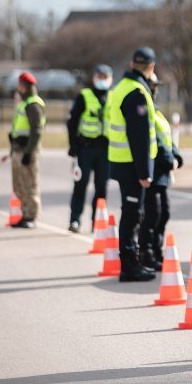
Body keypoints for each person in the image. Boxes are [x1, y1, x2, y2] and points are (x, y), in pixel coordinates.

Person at [104, 47, 159, 282]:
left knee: (131, 213)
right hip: (131, 164)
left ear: (131, 63)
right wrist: (144, 172)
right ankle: (129, 265)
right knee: (132, 214)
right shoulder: (136, 92)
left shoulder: (121, 88)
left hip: (121, 161)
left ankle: (131, 262)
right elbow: (139, 137)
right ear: (151, 67)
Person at [139, 73, 183, 271]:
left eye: (157, 86)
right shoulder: (146, 111)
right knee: (152, 214)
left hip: (162, 173)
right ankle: (146, 252)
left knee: (163, 213)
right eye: (153, 86)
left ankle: (156, 250)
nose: (156, 90)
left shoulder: (156, 111)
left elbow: (167, 139)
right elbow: (153, 140)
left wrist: (177, 156)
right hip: (153, 170)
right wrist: (169, 160)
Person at [66, 64, 113, 232]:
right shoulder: (84, 96)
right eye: (99, 77)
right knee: (81, 184)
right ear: (94, 78)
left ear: (110, 79)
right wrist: (73, 146)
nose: (102, 81)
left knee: (102, 187)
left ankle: (97, 222)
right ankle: (75, 220)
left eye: (105, 78)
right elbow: (72, 122)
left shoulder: (113, 97)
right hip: (85, 148)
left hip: (105, 150)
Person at [1, 71, 45, 229]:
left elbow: (36, 131)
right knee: (18, 185)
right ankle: (24, 213)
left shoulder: (33, 104)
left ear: (26, 86)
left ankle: (31, 216)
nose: (18, 88)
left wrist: (29, 152)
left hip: (27, 151)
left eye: (20, 85)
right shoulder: (23, 103)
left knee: (29, 184)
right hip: (18, 149)